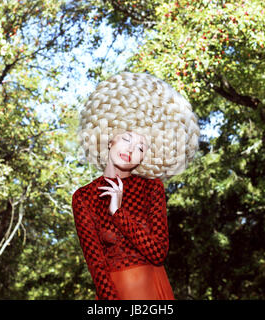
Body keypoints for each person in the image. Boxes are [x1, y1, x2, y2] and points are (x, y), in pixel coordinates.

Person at [72, 72, 200, 300]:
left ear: (145, 158)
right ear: (111, 138)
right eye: (127, 138)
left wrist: (118, 212)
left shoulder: (151, 188)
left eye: (141, 147)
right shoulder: (84, 197)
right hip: (115, 293)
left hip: (154, 289)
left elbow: (158, 253)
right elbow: (96, 264)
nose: (131, 150)